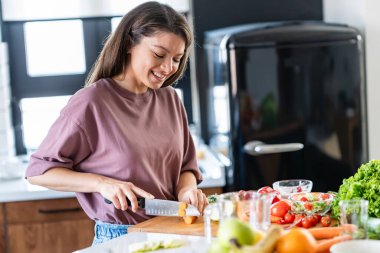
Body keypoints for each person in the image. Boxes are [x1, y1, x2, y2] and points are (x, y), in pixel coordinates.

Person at [25, 1, 207, 245]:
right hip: (121, 238)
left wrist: (186, 191)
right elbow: (38, 172)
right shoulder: (92, 102)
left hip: (174, 231)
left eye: (177, 58)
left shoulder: (170, 98)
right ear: (130, 43)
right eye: (159, 54)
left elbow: (187, 167)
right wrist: (103, 184)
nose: (168, 68)